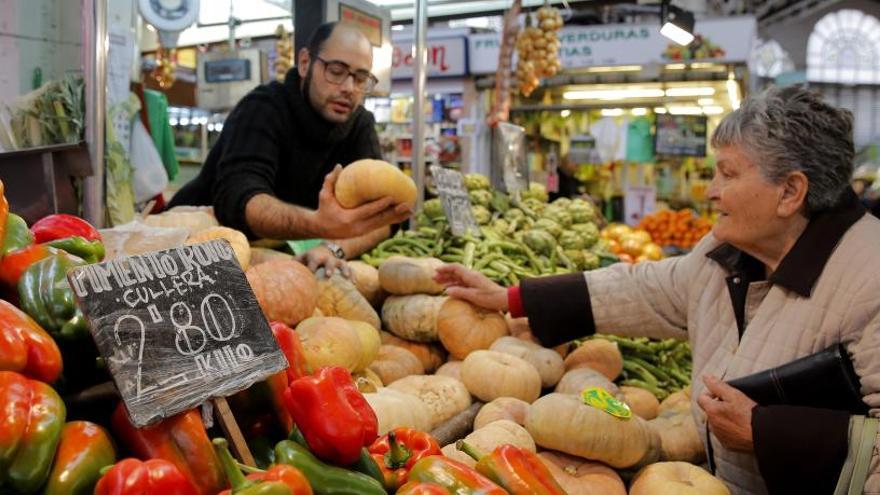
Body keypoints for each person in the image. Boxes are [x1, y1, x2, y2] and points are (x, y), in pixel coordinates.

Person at [435, 86, 880, 495]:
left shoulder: (869, 277)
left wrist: (764, 431)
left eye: (727, 175)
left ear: (790, 192)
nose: (711, 192)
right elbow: (645, 290)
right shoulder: (728, 254)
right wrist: (511, 298)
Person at [169, 22, 410, 274]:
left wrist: (333, 247)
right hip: (185, 253)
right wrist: (321, 225)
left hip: (269, 260)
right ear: (305, 63)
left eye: (360, 78)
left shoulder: (359, 122)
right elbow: (240, 199)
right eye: (336, 71)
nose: (349, 88)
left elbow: (385, 216)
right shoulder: (263, 107)